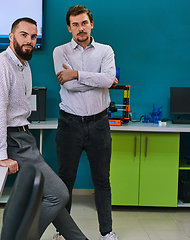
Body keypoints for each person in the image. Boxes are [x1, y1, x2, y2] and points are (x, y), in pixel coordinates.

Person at [0, 17, 88, 240]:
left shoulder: (23, 65)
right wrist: (1, 155)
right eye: (23, 35)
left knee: (50, 196)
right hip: (11, 141)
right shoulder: (0, 65)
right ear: (11, 37)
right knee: (58, 194)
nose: (29, 40)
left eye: (33, 36)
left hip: (22, 137)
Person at [53, 5, 118, 240]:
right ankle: (62, 233)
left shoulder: (105, 50)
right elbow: (67, 85)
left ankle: (106, 232)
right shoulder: (60, 51)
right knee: (65, 181)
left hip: (99, 124)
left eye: (84, 23)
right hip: (69, 124)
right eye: (75, 24)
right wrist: (99, 80)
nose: (81, 28)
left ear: (91, 24)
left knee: (102, 180)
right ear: (69, 27)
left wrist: (77, 74)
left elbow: (108, 79)